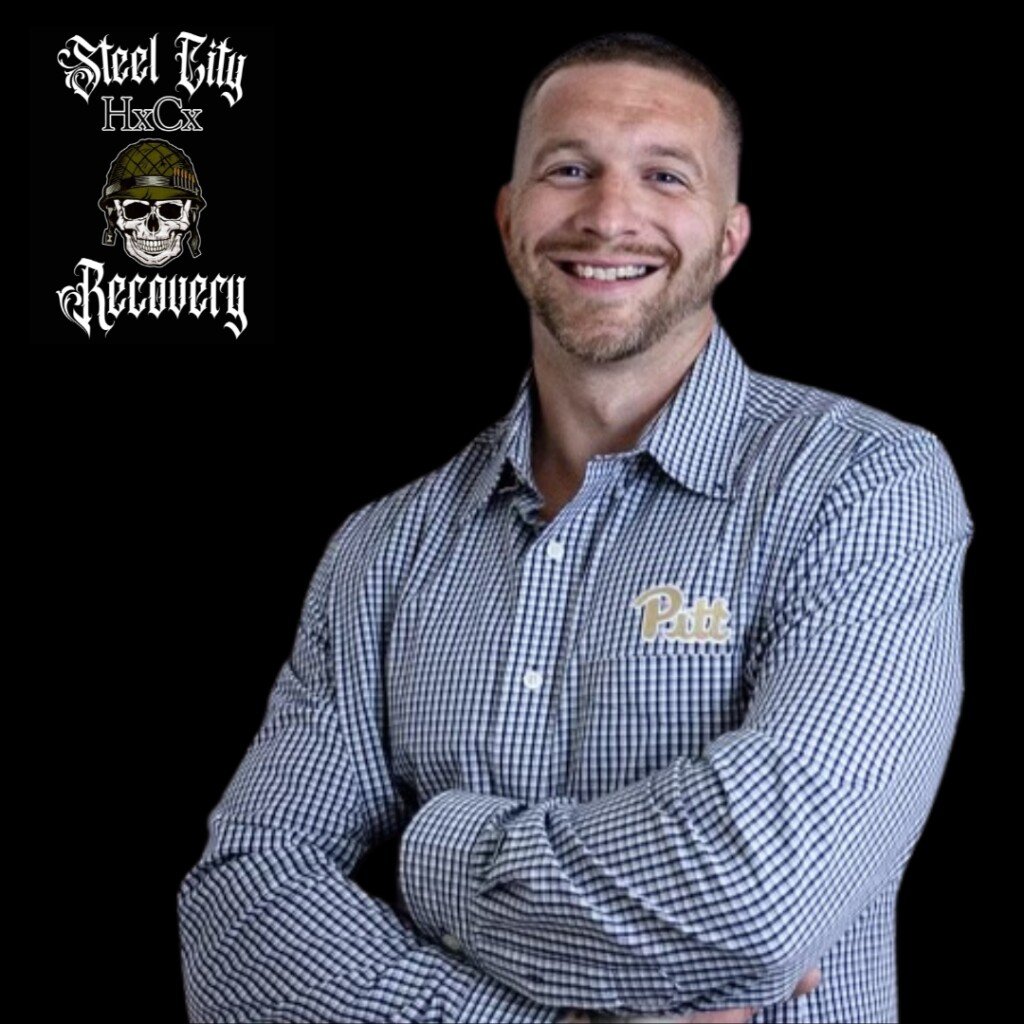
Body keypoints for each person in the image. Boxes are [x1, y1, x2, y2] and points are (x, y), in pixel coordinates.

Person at [177, 32, 974, 1024]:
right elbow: (239, 908)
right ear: (511, 220)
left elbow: (761, 896)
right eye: (568, 169)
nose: (608, 214)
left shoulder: (862, 483)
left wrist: (434, 853)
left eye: (664, 175)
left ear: (728, 237)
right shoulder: (383, 550)